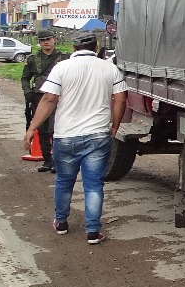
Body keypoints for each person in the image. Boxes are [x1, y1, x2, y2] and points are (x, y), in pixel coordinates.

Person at [24, 31, 127, 244]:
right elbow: (120, 100)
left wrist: (32, 127)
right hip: (98, 135)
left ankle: (61, 223)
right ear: (96, 47)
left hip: (66, 136)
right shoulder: (110, 68)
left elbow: (49, 99)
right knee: (93, 184)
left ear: (74, 48)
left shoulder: (61, 68)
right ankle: (92, 231)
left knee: (64, 180)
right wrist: (115, 126)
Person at [22, 29, 69, 172]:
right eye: (43, 40)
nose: (46, 43)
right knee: (41, 129)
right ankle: (47, 160)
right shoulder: (32, 59)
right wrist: (28, 92)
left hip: (57, 98)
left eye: (48, 39)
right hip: (38, 97)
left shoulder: (64, 58)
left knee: (55, 130)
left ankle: (57, 161)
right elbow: (25, 78)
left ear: (54, 39)